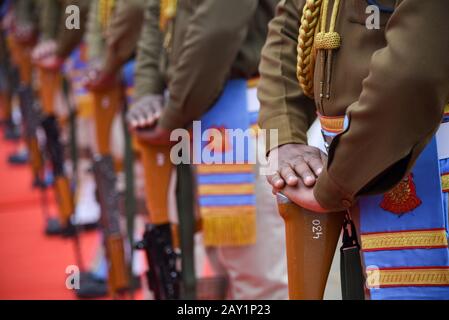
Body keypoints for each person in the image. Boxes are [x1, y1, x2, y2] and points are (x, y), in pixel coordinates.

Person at [258, 0, 449, 300]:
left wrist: (336, 184)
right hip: (353, 171)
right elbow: (290, 26)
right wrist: (285, 136)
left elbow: (414, 73)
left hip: (425, 167)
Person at [128, 0, 289, 300]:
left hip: (241, 120)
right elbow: (155, 17)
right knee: (216, 274)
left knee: (260, 283)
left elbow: (216, 31)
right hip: (189, 120)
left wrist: (173, 113)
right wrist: (146, 92)